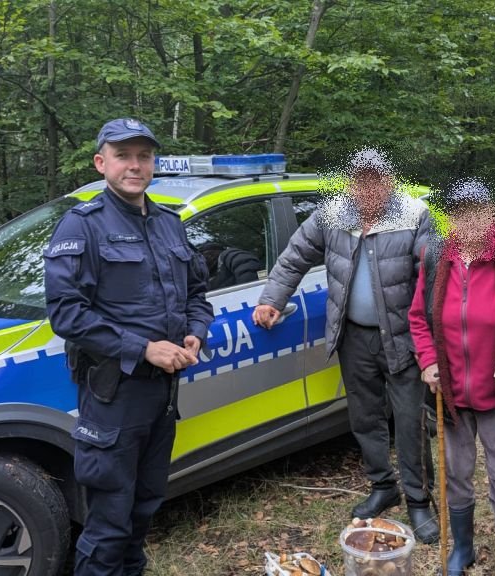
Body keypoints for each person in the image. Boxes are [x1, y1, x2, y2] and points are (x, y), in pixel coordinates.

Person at [44, 118, 214, 576]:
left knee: (144, 507)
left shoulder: (169, 224)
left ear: (153, 163)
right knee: (110, 523)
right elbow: (66, 314)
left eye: (144, 156)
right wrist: (144, 348)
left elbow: (196, 294)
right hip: (114, 396)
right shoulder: (83, 226)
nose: (135, 165)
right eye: (123, 156)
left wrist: (195, 330)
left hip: (163, 393)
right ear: (102, 163)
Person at [252, 148, 441, 543]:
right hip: (352, 336)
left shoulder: (414, 215)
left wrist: (436, 343)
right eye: (361, 179)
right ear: (351, 182)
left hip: (403, 338)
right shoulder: (332, 213)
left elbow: (434, 276)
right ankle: (382, 486)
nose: (368, 187)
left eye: (376, 179)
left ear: (389, 181)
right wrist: (272, 299)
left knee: (409, 420)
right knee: (364, 417)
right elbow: (294, 256)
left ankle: (419, 499)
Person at [408, 179, 495, 575]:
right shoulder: (436, 258)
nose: (469, 220)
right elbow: (418, 318)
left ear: (492, 215)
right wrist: (428, 361)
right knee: (456, 473)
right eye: (460, 213)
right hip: (452, 392)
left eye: (478, 212)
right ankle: (463, 549)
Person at [197, 241, 263, 290]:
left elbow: (248, 270)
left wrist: (243, 293)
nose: (200, 262)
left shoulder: (228, 255)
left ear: (211, 254)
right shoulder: (207, 276)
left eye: (201, 257)